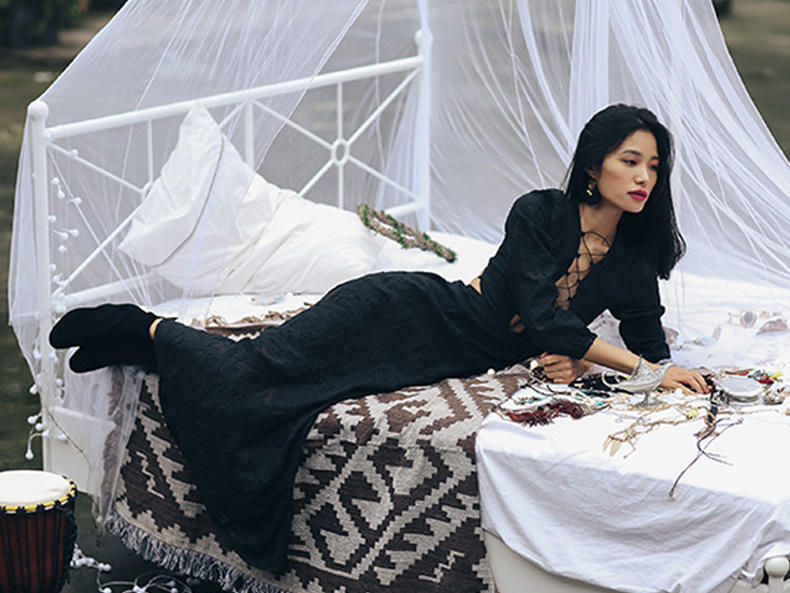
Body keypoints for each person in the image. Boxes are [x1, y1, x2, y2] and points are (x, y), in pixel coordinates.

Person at [48, 103, 707, 573]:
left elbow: (647, 343)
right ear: (594, 165)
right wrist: (623, 364)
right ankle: (145, 327)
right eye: (630, 161)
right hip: (409, 311)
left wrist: (634, 369)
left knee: (287, 399)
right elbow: (542, 317)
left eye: (654, 166)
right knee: (258, 370)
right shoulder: (540, 212)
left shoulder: (632, 258)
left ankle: (153, 351)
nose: (644, 177)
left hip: (445, 359)